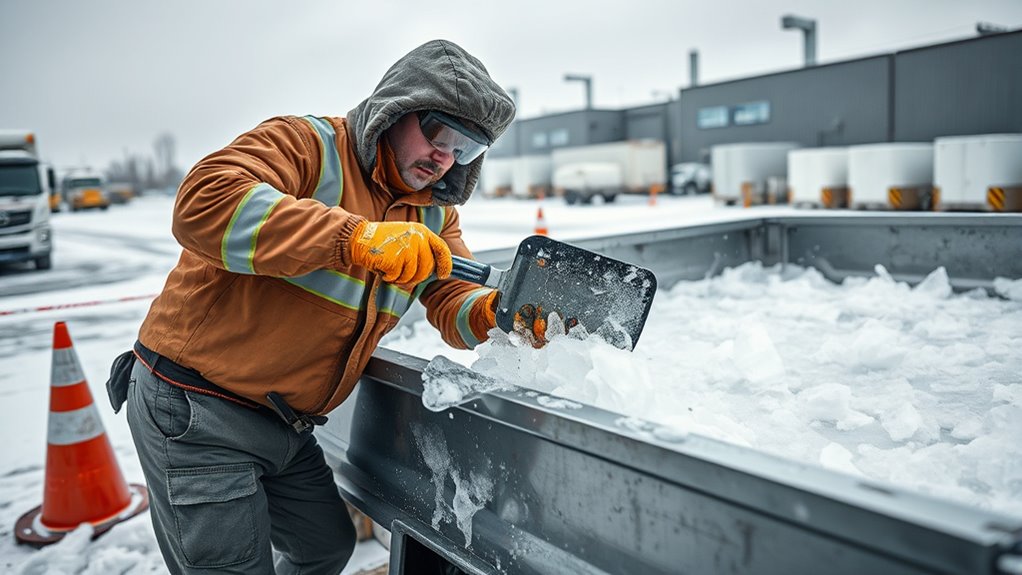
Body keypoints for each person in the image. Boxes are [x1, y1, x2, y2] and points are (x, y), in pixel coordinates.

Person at [106, 39, 516, 574]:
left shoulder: (433, 214)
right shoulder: (307, 147)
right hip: (199, 408)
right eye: (441, 134)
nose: (446, 158)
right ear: (398, 107)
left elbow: (454, 295)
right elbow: (203, 202)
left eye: (466, 149)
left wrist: (493, 314)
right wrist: (354, 239)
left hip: (284, 423)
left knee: (323, 547)